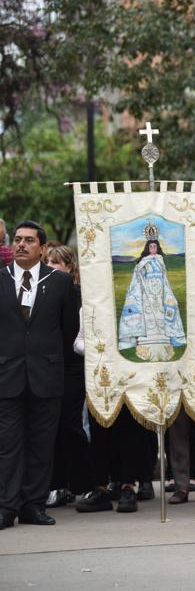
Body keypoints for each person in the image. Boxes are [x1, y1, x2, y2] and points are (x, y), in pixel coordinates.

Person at [0, 221, 78, 529]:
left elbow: (68, 329)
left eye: (29, 240)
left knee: (42, 444)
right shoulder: (1, 279)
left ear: (42, 248)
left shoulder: (59, 282)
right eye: (17, 239)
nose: (21, 244)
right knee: (8, 445)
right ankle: (7, 506)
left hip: (46, 376)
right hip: (7, 376)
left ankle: (33, 505)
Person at [42, 244, 92, 508]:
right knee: (53, 429)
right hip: (49, 366)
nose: (50, 266)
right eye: (47, 261)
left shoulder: (78, 294)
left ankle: (86, 481)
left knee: (70, 425)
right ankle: (58, 484)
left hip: (72, 366)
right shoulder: (42, 293)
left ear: (70, 267)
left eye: (56, 262)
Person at [117, 233, 186, 361]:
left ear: (157, 248)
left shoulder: (161, 260)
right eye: (151, 247)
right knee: (148, 312)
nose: (152, 249)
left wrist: (167, 292)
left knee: (161, 311)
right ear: (148, 248)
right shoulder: (144, 261)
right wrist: (140, 268)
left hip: (160, 292)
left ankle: (162, 334)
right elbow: (138, 274)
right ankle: (148, 335)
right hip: (147, 291)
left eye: (154, 247)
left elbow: (164, 277)